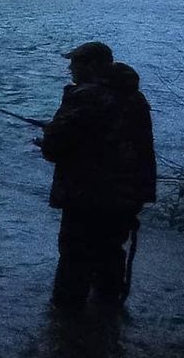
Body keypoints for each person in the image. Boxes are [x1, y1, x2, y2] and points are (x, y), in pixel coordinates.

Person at [34, 41, 157, 309]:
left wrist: (48, 137)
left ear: (93, 65)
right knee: (111, 253)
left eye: (75, 63)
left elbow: (56, 147)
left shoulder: (86, 96)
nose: (70, 69)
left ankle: (66, 324)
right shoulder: (135, 97)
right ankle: (109, 315)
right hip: (126, 196)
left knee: (74, 258)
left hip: (86, 196)